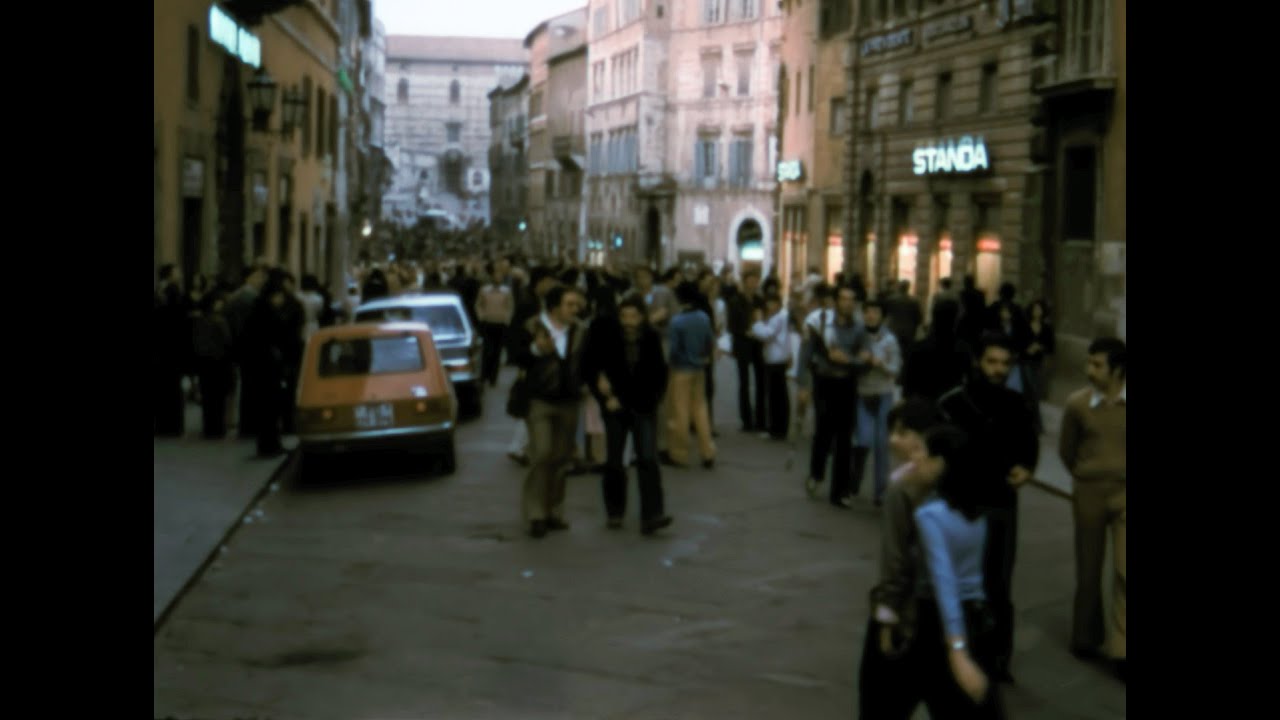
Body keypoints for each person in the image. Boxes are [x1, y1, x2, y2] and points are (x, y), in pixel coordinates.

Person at [937, 333, 1039, 683]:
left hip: (1000, 507)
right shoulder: (952, 404)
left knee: (998, 586)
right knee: (959, 582)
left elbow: (1030, 448)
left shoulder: (1018, 404)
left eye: (1004, 363)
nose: (997, 370)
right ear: (978, 362)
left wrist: (1026, 469)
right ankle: (956, 651)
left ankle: (997, 658)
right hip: (960, 507)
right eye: (991, 362)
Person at [914, 425, 1008, 719]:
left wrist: (957, 648)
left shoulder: (931, 516)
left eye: (925, 455)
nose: (917, 460)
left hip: (942, 621)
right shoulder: (977, 512)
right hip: (979, 616)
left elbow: (945, 581)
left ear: (941, 464)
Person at [858, 399, 942, 718]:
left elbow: (896, 560)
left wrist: (886, 617)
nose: (893, 439)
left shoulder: (902, 487)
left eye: (903, 432)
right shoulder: (952, 485)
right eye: (893, 430)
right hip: (946, 617)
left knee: (879, 704)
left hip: (905, 613)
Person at [1059, 337, 1126, 682]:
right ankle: (1085, 636)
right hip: (1089, 493)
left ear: (1118, 369)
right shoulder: (1077, 405)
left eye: (1098, 365)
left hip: (1125, 495)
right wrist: (1084, 476)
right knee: (1089, 568)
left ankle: (1121, 649)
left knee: (1124, 572)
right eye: (1089, 363)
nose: (1090, 371)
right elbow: (1066, 451)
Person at [584, 295, 673, 535]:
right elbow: (592, 369)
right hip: (616, 408)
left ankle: (652, 514)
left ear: (642, 317)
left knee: (647, 459)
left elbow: (660, 373)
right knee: (614, 460)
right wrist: (605, 397)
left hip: (644, 407)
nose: (629, 322)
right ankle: (615, 511)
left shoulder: (651, 338)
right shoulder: (608, 339)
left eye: (634, 316)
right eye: (624, 316)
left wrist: (654, 400)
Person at [512, 284, 589, 539]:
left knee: (560, 457)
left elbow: (589, 361)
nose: (575, 309)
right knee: (542, 453)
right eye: (569, 304)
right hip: (539, 400)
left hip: (569, 400)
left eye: (576, 305)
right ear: (555, 307)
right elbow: (515, 354)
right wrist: (536, 350)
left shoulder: (579, 330)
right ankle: (536, 514)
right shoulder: (531, 326)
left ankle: (554, 511)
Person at [797, 285, 872, 508]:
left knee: (844, 438)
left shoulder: (859, 329)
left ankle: (839, 492)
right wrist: (803, 384)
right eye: (843, 299)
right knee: (823, 432)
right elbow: (806, 354)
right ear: (836, 301)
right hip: (824, 382)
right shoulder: (821, 325)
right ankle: (816, 474)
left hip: (847, 384)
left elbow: (865, 361)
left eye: (851, 300)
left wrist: (848, 360)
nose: (847, 303)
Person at [851, 299, 903, 507]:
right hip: (862, 392)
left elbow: (895, 369)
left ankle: (880, 491)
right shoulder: (857, 336)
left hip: (883, 394)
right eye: (867, 312)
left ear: (882, 316)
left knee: (882, 443)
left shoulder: (889, 340)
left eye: (875, 312)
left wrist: (877, 362)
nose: (871, 315)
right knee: (862, 440)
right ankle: (854, 481)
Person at [665, 281, 717, 469]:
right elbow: (709, 342)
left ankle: (680, 453)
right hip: (699, 368)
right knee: (700, 410)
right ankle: (707, 451)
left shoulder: (677, 321)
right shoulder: (703, 317)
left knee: (680, 412)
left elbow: (674, 350)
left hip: (681, 370)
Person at [727, 270, 768, 433]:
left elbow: (765, 320)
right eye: (750, 281)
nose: (753, 284)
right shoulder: (736, 301)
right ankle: (746, 420)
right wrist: (744, 331)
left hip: (757, 344)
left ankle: (760, 419)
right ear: (744, 283)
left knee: (761, 382)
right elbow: (732, 325)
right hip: (743, 343)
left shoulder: (760, 301)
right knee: (744, 383)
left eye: (755, 281)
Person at [750, 292, 792, 441]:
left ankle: (777, 429)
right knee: (778, 395)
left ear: (777, 304)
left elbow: (766, 334)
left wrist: (757, 322)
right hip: (777, 358)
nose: (769, 307)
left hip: (776, 359)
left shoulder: (778, 318)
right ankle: (778, 427)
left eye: (771, 303)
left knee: (776, 396)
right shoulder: (780, 317)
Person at [192, 289, 234, 439]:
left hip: (204, 362)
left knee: (208, 397)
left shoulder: (199, 320)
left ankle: (208, 427)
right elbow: (227, 340)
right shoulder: (219, 320)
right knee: (218, 397)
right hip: (219, 362)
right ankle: (218, 428)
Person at [154, 264, 189, 437]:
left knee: (163, 389)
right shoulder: (173, 292)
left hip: (163, 349)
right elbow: (178, 320)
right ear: (170, 275)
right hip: (172, 349)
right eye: (177, 272)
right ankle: (172, 427)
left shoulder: (161, 291)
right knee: (172, 390)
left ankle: (163, 425)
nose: (180, 274)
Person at [475, 261, 515, 387]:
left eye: (500, 276)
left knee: (497, 351)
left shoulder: (506, 291)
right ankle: (484, 375)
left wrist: (507, 319)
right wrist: (481, 316)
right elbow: (478, 304)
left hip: (500, 323)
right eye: (495, 276)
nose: (497, 278)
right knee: (487, 350)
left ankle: (493, 377)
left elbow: (510, 306)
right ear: (492, 278)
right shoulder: (485, 290)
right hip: (488, 322)